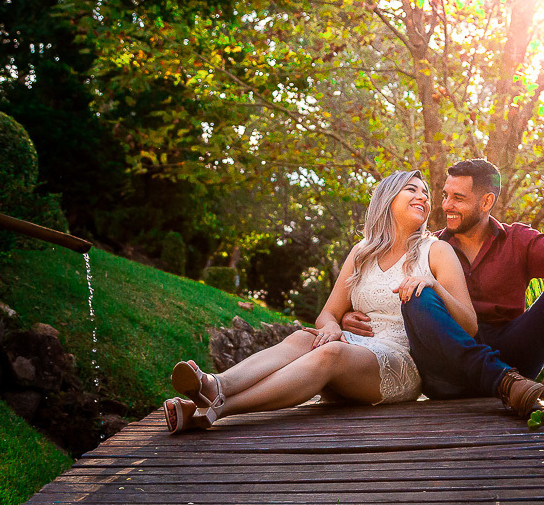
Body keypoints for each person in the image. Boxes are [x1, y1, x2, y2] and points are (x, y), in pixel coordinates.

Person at [163, 169, 477, 434]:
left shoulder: (435, 251)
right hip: (354, 349)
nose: (423, 197)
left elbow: (469, 325)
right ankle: (215, 384)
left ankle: (220, 405)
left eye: (426, 194)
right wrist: (333, 327)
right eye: (412, 189)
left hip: (400, 363)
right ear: (388, 198)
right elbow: (328, 313)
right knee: (303, 337)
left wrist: (433, 284)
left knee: (331, 353)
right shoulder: (362, 253)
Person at [342, 158, 544, 417]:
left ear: (487, 201)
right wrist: (347, 315)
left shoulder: (516, 239)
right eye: (445, 196)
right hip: (448, 370)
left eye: (458, 198)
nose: (446, 205)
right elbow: (387, 290)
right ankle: (502, 380)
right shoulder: (429, 248)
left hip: (511, 359)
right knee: (419, 294)